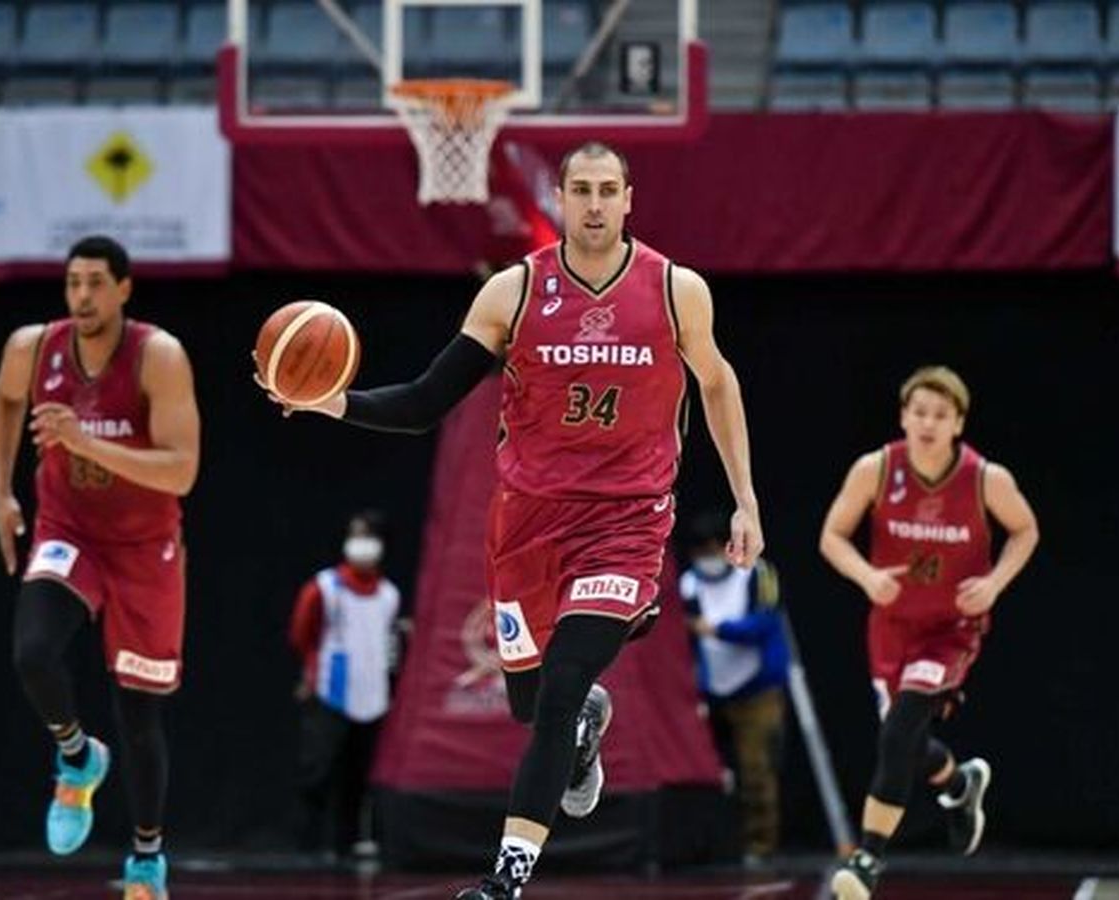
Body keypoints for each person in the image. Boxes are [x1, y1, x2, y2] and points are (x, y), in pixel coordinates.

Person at [257, 141, 764, 900]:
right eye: (580, 190)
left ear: (630, 199)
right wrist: (330, 401)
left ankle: (506, 879)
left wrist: (745, 498)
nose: (594, 204)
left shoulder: (676, 289)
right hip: (529, 524)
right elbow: (427, 401)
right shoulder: (513, 293)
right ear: (560, 200)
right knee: (533, 704)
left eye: (607, 190)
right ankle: (586, 726)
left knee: (559, 683)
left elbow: (718, 389)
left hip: (626, 523)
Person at [0, 235, 200, 900]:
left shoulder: (158, 357)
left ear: (124, 288)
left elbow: (182, 471)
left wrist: (83, 442)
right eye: (73, 282)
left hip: (144, 546)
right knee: (33, 651)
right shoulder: (33, 346)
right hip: (68, 530)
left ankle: (145, 860)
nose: (81, 296)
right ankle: (77, 757)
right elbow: (3, 400)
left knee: (139, 713)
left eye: (95, 283)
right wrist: (1, 491)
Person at [818, 366, 1039, 900]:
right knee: (908, 741)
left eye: (940, 414)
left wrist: (994, 583)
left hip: (950, 628)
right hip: (892, 626)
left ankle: (868, 859)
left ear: (958, 423)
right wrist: (867, 576)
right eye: (919, 411)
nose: (927, 423)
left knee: (897, 734)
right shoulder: (876, 468)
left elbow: (1025, 529)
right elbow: (832, 536)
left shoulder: (986, 478)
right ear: (902, 415)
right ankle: (960, 783)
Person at [289, 510, 404, 859]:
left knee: (358, 775)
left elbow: (388, 643)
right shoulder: (324, 587)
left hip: (372, 695)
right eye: (356, 535)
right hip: (331, 691)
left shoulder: (388, 595)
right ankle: (308, 846)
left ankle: (347, 843)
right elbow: (301, 634)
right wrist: (311, 672)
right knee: (318, 769)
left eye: (368, 536)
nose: (362, 544)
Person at [678, 510, 790, 863]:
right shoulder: (689, 584)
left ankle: (761, 846)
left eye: (713, 549)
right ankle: (714, 844)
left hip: (756, 686)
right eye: (700, 553)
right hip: (712, 687)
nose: (707, 559)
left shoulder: (757, 573)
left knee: (757, 769)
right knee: (711, 771)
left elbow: (767, 622)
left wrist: (720, 630)